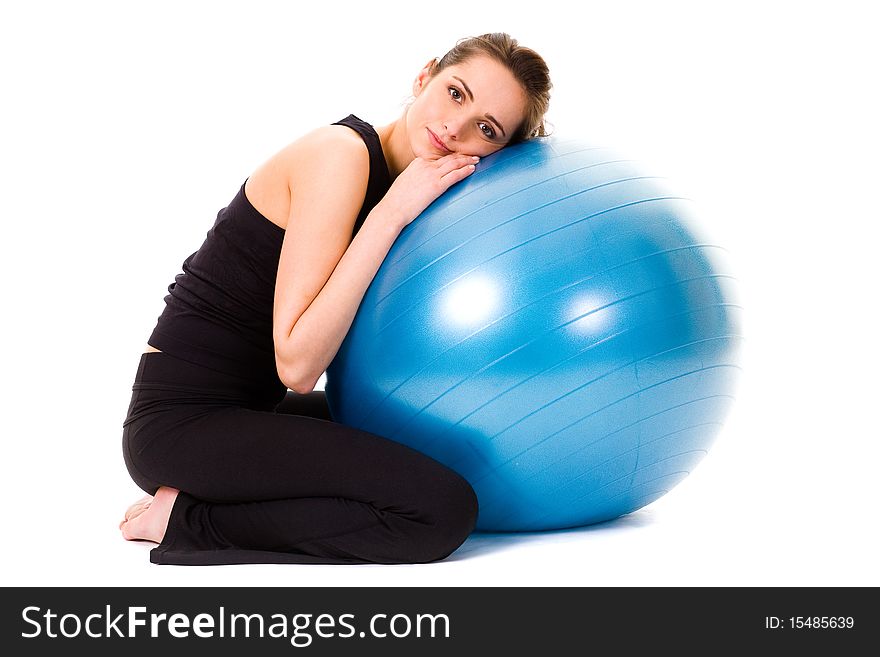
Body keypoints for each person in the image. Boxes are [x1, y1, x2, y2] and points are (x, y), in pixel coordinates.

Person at [119, 32, 552, 565]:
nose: (454, 127)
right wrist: (390, 213)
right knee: (441, 510)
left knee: (443, 447)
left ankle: (214, 496)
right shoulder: (341, 157)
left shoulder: (418, 189)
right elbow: (297, 364)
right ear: (424, 76)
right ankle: (191, 521)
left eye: (487, 129)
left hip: (254, 411)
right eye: (455, 93)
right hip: (181, 423)